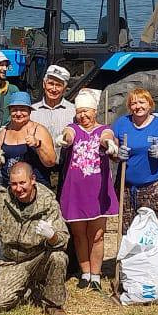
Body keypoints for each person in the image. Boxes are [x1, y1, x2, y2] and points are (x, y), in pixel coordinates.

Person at [0, 161, 70, 315]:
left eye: (22, 183)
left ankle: (53, 304)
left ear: (32, 180)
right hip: (13, 261)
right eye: (14, 184)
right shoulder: (3, 199)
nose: (18, 188)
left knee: (58, 256)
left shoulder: (47, 202)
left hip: (39, 257)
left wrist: (52, 236)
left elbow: (63, 240)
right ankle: (29, 287)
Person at [57, 89, 122, 292]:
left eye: (87, 111)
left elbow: (106, 136)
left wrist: (109, 144)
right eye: (80, 112)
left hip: (97, 191)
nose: (83, 115)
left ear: (94, 111)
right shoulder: (72, 128)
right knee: (78, 234)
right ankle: (85, 273)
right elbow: (69, 136)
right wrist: (63, 140)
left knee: (97, 234)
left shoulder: (104, 129)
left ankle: (96, 274)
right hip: (75, 191)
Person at [111, 87, 158, 228]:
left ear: (150, 105)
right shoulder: (122, 123)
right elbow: (113, 153)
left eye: (142, 102)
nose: (138, 106)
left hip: (153, 187)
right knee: (128, 231)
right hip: (127, 187)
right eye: (133, 103)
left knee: (154, 231)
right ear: (129, 107)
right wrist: (117, 154)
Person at [0, 93, 57, 190]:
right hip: (11, 189)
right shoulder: (4, 131)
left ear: (30, 111)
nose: (18, 113)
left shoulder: (39, 130)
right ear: (9, 111)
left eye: (23, 109)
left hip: (36, 188)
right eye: (15, 110)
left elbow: (51, 162)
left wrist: (38, 144)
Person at [28, 65, 75, 150]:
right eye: (51, 84)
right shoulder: (32, 111)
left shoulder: (73, 111)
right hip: (36, 161)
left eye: (58, 85)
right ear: (44, 84)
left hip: (66, 161)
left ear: (64, 89)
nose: (53, 89)